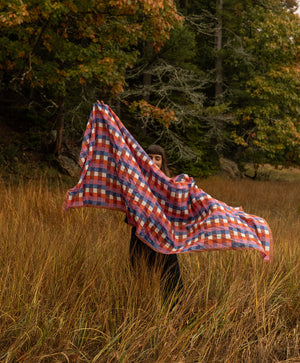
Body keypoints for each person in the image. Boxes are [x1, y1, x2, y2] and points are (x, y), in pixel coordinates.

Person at [128, 144, 184, 301]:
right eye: (149, 157)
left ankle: (173, 312)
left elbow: (191, 202)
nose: (153, 161)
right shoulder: (136, 181)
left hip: (163, 236)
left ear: (162, 161)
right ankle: (143, 310)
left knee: (171, 279)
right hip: (140, 236)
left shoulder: (170, 184)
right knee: (139, 277)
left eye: (157, 158)